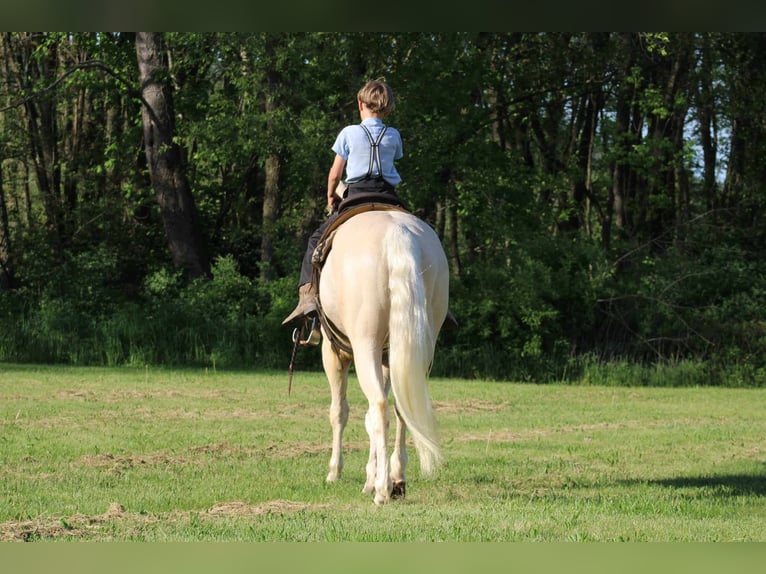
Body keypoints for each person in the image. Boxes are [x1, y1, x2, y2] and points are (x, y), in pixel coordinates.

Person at [282, 79, 407, 327]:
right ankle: (439, 305)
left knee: (316, 240)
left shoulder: (349, 133)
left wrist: (331, 195)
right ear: (388, 108)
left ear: (360, 104)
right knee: (421, 233)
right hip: (388, 196)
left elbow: (334, 175)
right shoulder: (393, 135)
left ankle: (307, 297)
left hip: (357, 195)